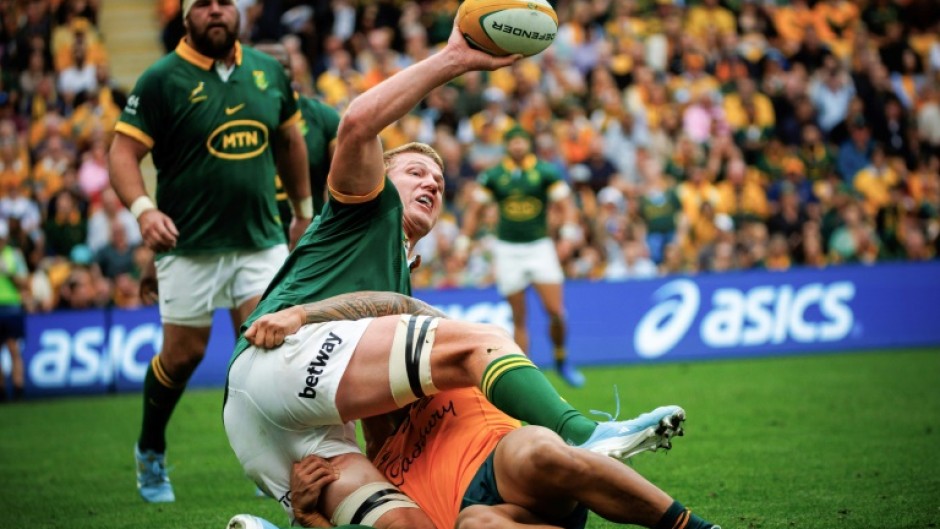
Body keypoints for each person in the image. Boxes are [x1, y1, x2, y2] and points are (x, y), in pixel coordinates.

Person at [223, 23, 684, 529]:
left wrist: (310, 515)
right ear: (379, 178)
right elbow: (357, 122)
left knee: (410, 525)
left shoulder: (398, 272)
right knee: (479, 342)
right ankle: (581, 432)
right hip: (278, 363)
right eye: (415, 171)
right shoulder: (365, 210)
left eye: (439, 181)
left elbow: (381, 420)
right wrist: (454, 59)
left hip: (281, 430)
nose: (431, 182)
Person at [108, 0, 313, 503]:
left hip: (259, 241)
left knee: (265, 352)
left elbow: (289, 140)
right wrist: (142, 210)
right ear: (185, 16)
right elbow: (122, 153)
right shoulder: (162, 78)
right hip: (188, 245)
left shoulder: (267, 70)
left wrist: (304, 211)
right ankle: (150, 449)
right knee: (183, 357)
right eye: (204, 5)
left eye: (224, 3)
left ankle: (270, 465)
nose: (216, 12)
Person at [286, 387, 718, 529]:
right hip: (485, 517)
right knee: (475, 524)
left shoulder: (442, 375)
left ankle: (692, 528)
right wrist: (308, 517)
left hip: (509, 465)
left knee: (535, 452)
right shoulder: (371, 474)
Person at [457, 125, 586, 387]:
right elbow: (475, 210)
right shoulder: (494, 176)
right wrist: (463, 241)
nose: (517, 146)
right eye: (513, 142)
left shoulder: (545, 172)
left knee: (556, 312)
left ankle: (561, 359)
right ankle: (527, 378)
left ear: (528, 144)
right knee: (519, 318)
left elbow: (566, 205)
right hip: (507, 250)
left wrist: (568, 234)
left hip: (540, 246)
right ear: (507, 145)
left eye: (521, 141)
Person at [254, 41, 341, 233]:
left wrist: (328, 233)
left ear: (292, 71)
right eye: (264, 67)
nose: (273, 73)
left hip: (309, 237)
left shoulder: (324, 117)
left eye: (281, 67)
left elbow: (339, 185)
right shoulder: (232, 115)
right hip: (253, 237)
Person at [0, 218, 28, 402]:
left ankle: (18, 388)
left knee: (13, 348)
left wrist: (8, 272)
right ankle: (1, 390)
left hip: (11, 306)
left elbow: (24, 281)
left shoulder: (13, 255)